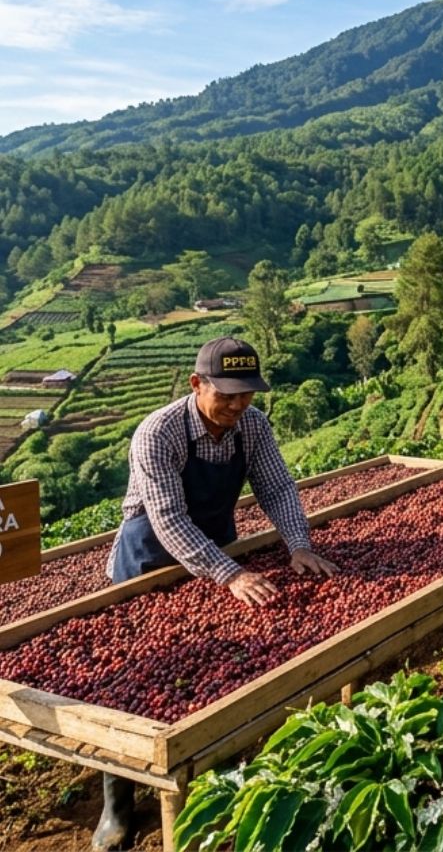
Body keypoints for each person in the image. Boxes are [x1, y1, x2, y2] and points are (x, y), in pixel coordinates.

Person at [94, 336, 338, 851]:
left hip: (218, 542)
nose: (236, 405)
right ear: (196, 384)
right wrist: (229, 576)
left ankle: (209, 772)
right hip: (149, 557)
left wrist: (297, 544)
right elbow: (167, 518)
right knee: (134, 679)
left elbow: (275, 487)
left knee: (211, 668)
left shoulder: (252, 425)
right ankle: (117, 806)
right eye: (226, 394)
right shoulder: (157, 433)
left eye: (246, 394)